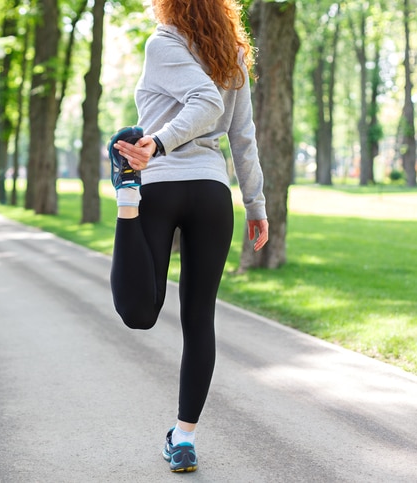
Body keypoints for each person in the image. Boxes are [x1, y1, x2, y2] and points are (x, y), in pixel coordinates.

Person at [108, 0, 269, 473]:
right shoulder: (233, 54)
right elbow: (243, 136)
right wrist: (254, 204)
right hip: (211, 191)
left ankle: (125, 199)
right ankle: (184, 438)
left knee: (138, 313)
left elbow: (208, 103)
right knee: (199, 319)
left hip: (157, 181)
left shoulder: (163, 43)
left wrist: (155, 143)